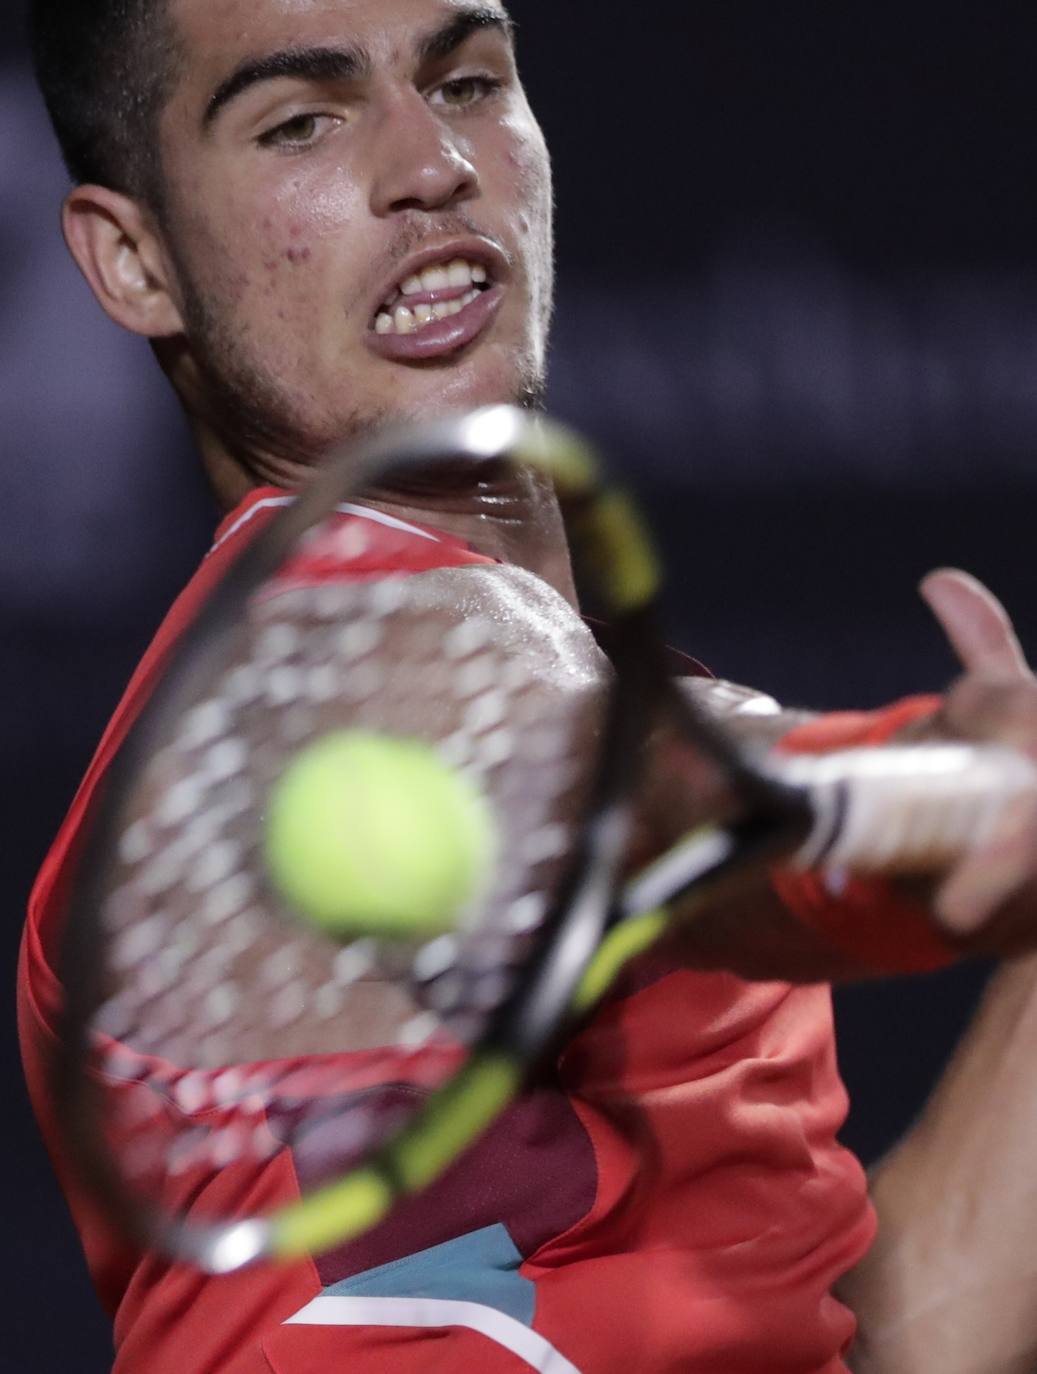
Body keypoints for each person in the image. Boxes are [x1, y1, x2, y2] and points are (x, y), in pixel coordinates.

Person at [19, 0, 1037, 1370]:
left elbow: (862, 1343)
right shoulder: (322, 660)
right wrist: (927, 798)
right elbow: (656, 801)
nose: (427, 158)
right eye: (301, 120)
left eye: (467, 78)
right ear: (135, 262)